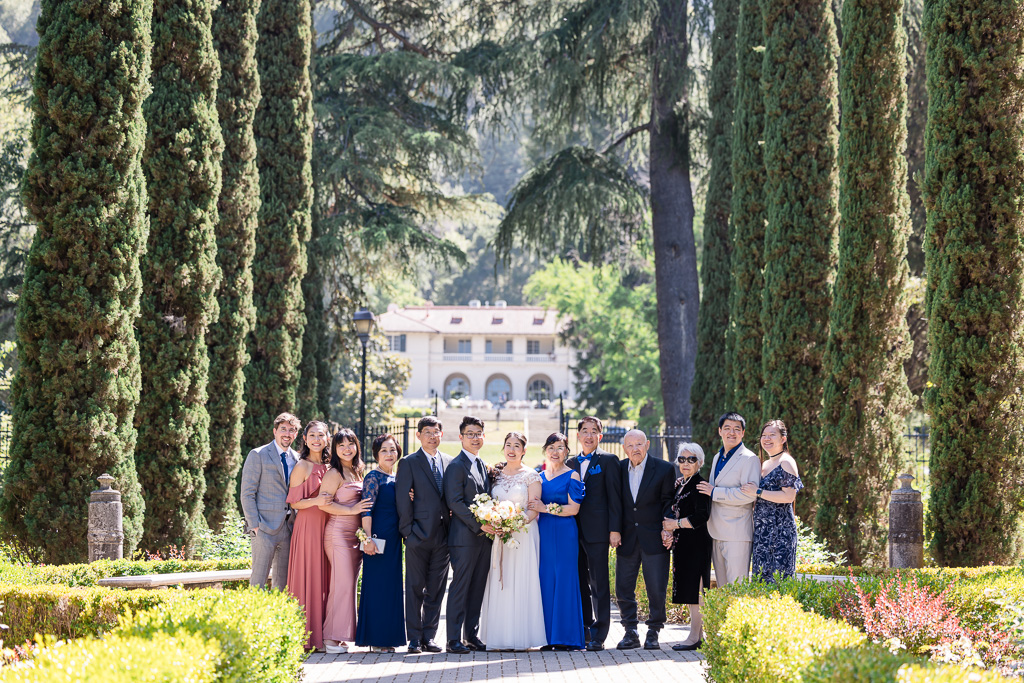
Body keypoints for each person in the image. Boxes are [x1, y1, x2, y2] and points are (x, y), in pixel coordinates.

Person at [479, 432, 547, 651]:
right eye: (508, 445)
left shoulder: (531, 476)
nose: (512, 449)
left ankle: (522, 637)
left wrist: (513, 525)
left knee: (521, 579)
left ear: (524, 450)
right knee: (501, 580)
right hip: (500, 535)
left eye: (516, 446)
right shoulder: (495, 475)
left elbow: (533, 509)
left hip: (523, 534)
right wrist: (496, 523)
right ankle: (500, 637)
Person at [395, 416, 452, 654]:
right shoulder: (409, 462)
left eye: (436, 432)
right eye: (427, 432)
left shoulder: (449, 462)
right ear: (418, 435)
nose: (432, 436)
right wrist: (408, 532)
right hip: (418, 535)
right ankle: (414, 638)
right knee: (415, 588)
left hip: (444, 536)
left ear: (441, 434)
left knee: (436, 590)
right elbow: (402, 499)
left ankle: (430, 636)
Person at [615, 429, 674, 651]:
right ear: (624, 448)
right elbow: (615, 502)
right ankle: (630, 631)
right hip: (627, 538)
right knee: (623, 587)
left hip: (654, 538)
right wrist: (614, 530)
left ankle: (654, 631)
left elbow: (668, 500)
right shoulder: (619, 469)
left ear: (647, 445)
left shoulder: (664, 468)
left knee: (656, 588)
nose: (635, 449)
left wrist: (667, 528)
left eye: (639, 444)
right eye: (630, 445)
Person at [565, 416, 621, 651]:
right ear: (578, 435)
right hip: (571, 532)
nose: (589, 435)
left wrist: (615, 529)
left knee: (599, 584)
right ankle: (585, 628)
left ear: (600, 435)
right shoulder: (569, 463)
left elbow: (615, 498)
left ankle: (600, 633)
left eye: (594, 431)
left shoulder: (609, 460)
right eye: (584, 431)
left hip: (598, 532)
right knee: (578, 582)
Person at [442, 416, 494, 654]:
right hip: (464, 539)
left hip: (484, 539)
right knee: (460, 588)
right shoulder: (455, 466)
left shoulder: (482, 465)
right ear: (461, 437)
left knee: (477, 588)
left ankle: (471, 635)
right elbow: (455, 502)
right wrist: (478, 525)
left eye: (478, 434)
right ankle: (453, 639)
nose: (475, 438)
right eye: (470, 434)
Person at [531, 432, 586, 650]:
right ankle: (547, 637)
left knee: (565, 579)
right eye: (551, 447)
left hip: (564, 532)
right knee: (545, 579)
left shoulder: (572, 476)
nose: (555, 452)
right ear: (545, 450)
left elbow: (574, 508)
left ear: (566, 452)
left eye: (560, 447)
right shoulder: (539, 477)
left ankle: (567, 637)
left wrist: (545, 508)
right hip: (543, 531)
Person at [320, 429, 371, 654]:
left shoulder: (358, 471)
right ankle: (330, 638)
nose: (346, 449)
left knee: (349, 586)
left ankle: (341, 635)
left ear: (357, 446)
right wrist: (351, 509)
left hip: (355, 536)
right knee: (341, 585)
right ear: (334, 449)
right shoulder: (334, 473)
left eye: (351, 444)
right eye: (341, 445)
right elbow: (323, 504)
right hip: (338, 533)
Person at [697, 412, 762, 586]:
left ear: (743, 433)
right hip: (715, 531)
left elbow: (749, 495)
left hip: (737, 533)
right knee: (723, 587)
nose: (731, 433)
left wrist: (714, 492)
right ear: (720, 431)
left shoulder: (750, 459)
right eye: (727, 428)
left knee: (736, 587)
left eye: (736, 429)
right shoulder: (718, 457)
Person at [355, 434, 406, 652]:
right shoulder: (373, 477)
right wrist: (367, 539)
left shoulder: (398, 477)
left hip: (395, 540)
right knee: (376, 588)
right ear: (376, 454)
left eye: (392, 450)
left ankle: (390, 639)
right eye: (384, 450)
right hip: (377, 539)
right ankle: (376, 639)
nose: (389, 454)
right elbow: (366, 509)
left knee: (392, 588)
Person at [286, 420, 332, 651]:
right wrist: (316, 501)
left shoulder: (332, 466)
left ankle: (327, 634)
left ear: (327, 439)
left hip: (329, 525)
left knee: (327, 577)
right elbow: (294, 502)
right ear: (304, 439)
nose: (316, 439)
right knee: (310, 576)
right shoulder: (302, 466)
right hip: (309, 527)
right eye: (312, 435)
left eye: (320, 435)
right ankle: (308, 637)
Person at [240, 413, 301, 590]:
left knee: (282, 584)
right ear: (275, 431)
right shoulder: (258, 455)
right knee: (258, 581)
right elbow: (247, 493)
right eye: (283, 429)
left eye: (291, 430)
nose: (287, 433)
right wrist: (255, 526)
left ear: (295, 434)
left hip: (288, 528)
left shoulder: (297, 459)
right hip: (263, 528)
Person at [661, 443, 712, 651]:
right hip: (684, 544)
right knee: (691, 592)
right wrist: (670, 531)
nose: (685, 463)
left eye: (691, 459)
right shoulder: (680, 483)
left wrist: (676, 525)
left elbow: (702, 516)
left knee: (697, 591)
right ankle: (696, 635)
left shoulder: (699, 485)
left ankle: (694, 638)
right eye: (682, 459)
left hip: (697, 543)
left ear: (699, 462)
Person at [742, 419, 804, 581]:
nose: (767, 439)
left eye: (772, 435)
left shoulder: (786, 462)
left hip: (780, 533)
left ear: (783, 439)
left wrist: (758, 491)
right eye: (764, 435)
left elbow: (789, 496)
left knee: (778, 583)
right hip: (763, 533)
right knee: (760, 582)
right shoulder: (766, 463)